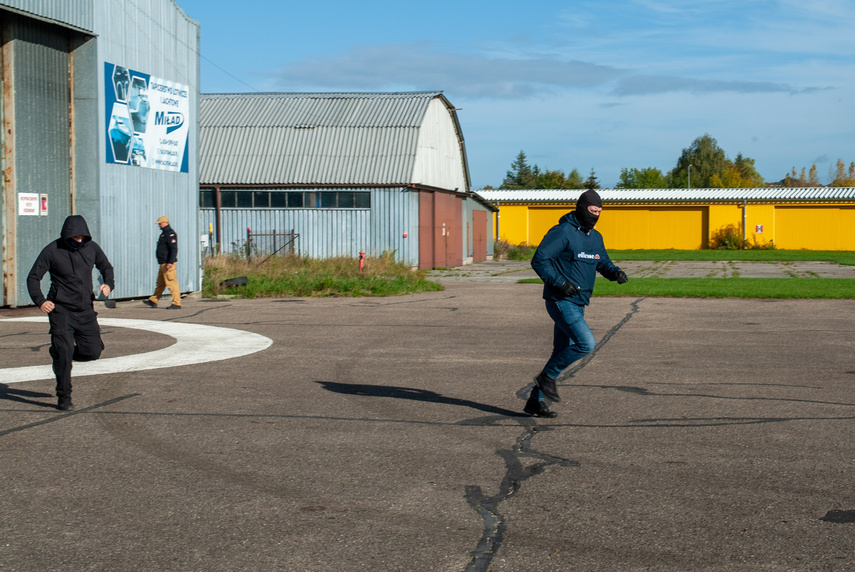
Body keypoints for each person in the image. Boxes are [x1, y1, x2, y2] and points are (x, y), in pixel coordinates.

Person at [526, 190, 628, 418]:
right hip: (561, 300)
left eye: (600, 212)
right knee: (586, 344)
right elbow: (540, 260)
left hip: (579, 302)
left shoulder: (595, 237)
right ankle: (546, 377)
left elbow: (602, 262)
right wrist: (560, 283)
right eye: (593, 211)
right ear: (582, 208)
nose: (596, 216)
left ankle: (535, 400)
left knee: (562, 350)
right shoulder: (562, 232)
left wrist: (615, 273)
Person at [27, 215, 115, 411]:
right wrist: (41, 301)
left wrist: (109, 283)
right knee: (65, 354)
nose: (79, 240)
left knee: (93, 351)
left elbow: (106, 266)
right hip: (61, 311)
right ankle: (64, 396)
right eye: (75, 237)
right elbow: (33, 277)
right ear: (67, 235)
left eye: (82, 237)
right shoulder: (52, 251)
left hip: (85, 310)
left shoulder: (92, 248)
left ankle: (58, 354)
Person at [143, 215, 181, 309]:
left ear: (166, 223)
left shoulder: (170, 233)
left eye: (160, 223)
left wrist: (170, 262)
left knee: (171, 283)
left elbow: (173, 248)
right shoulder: (164, 233)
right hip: (163, 263)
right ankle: (153, 300)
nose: (159, 225)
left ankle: (176, 303)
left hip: (168, 263)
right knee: (160, 283)